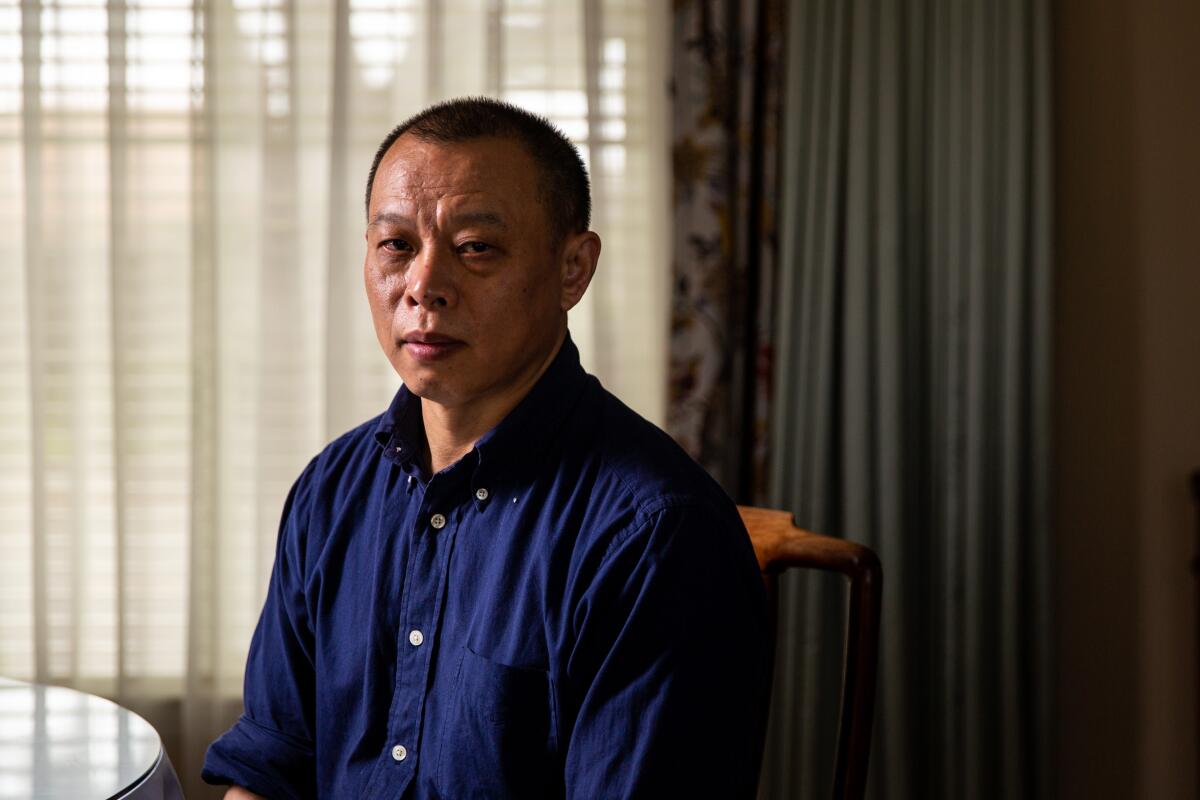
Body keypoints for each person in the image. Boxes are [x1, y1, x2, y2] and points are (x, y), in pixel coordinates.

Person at [202, 97, 770, 799]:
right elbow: (272, 764)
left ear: (572, 268)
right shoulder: (333, 488)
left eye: (475, 248)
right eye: (397, 246)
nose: (424, 287)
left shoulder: (654, 537)